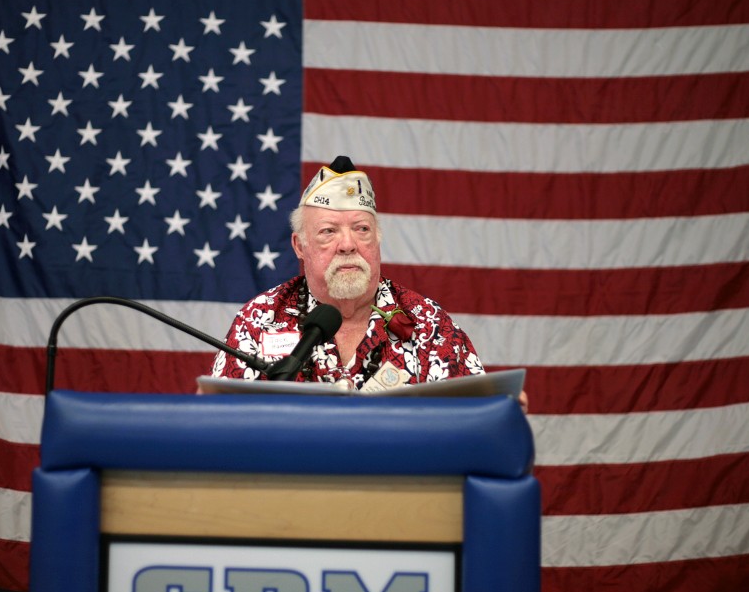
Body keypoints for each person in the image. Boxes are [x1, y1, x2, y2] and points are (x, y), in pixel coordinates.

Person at [210, 156, 527, 409]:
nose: (348, 245)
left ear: (377, 240)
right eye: (328, 232)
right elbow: (222, 423)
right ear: (299, 246)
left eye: (361, 229)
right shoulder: (259, 320)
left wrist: (500, 413)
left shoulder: (429, 323)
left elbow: (475, 418)